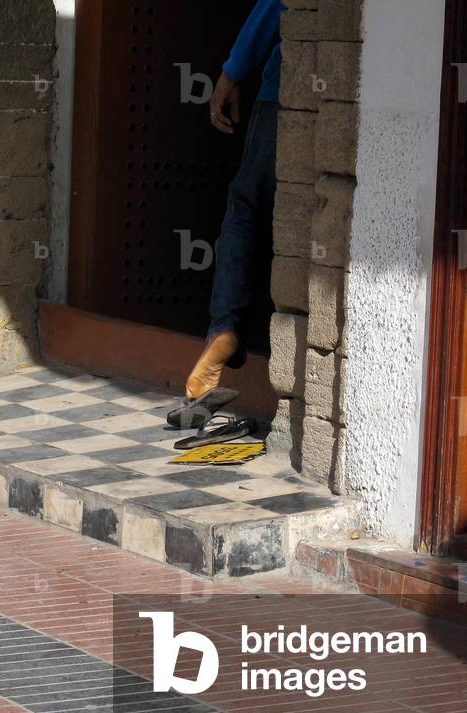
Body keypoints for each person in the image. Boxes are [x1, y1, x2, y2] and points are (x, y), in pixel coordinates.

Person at [168, 0, 285, 430]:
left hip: (281, 98)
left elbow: (278, 4)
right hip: (350, 102)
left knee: (247, 211)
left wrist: (233, 70)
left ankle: (226, 326)